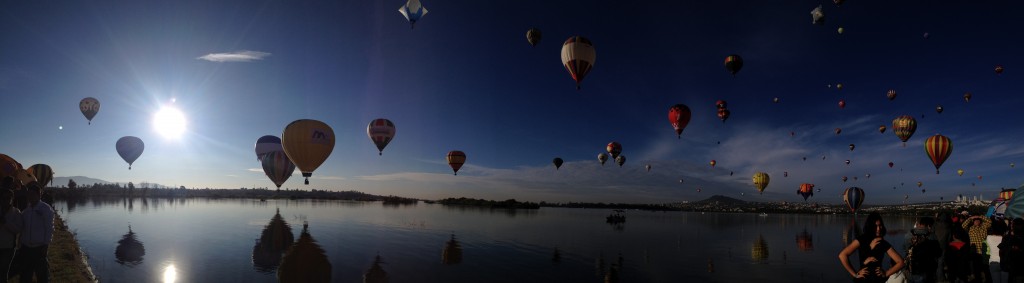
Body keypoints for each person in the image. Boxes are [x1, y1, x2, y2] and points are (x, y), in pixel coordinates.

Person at [840, 212, 906, 283]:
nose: (878, 229)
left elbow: (901, 262)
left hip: (876, 279)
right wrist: (854, 274)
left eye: (880, 225)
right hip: (863, 279)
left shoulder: (882, 243)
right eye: (875, 226)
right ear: (870, 226)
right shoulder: (862, 240)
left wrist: (886, 273)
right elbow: (842, 255)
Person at [18, 183, 51, 283]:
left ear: (39, 195)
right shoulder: (26, 211)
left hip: (39, 248)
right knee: (25, 276)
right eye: (29, 194)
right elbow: (22, 228)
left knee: (42, 276)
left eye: (33, 194)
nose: (30, 197)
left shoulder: (46, 209)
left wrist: (46, 245)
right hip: (26, 247)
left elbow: (49, 228)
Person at [905, 217, 942, 283]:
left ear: (920, 223)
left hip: (910, 270)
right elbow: (938, 253)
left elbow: (905, 249)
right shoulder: (932, 236)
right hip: (925, 271)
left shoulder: (909, 234)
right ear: (929, 226)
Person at [0, 179, 20, 283]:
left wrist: (5, 223)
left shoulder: (16, 212)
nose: (6, 200)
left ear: (12, 199)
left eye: (8, 198)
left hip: (8, 247)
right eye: (3, 198)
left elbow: (18, 229)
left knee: (4, 271)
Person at [999, 218, 1024, 283]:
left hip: (1012, 268)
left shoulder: (1008, 238)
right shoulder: (1008, 237)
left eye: (1012, 224)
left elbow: (1002, 251)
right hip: (1014, 268)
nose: (1010, 225)